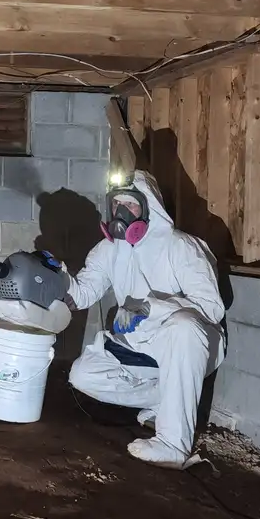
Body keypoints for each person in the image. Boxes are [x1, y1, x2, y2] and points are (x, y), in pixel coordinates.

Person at [64, 169, 225, 469]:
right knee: (82, 375)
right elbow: (85, 290)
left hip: (185, 347)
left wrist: (149, 308)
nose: (121, 212)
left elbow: (211, 308)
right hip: (138, 346)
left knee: (184, 327)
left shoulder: (181, 247)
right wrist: (61, 286)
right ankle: (163, 402)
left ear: (149, 206)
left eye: (131, 205)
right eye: (116, 205)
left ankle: (173, 445)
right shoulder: (110, 250)